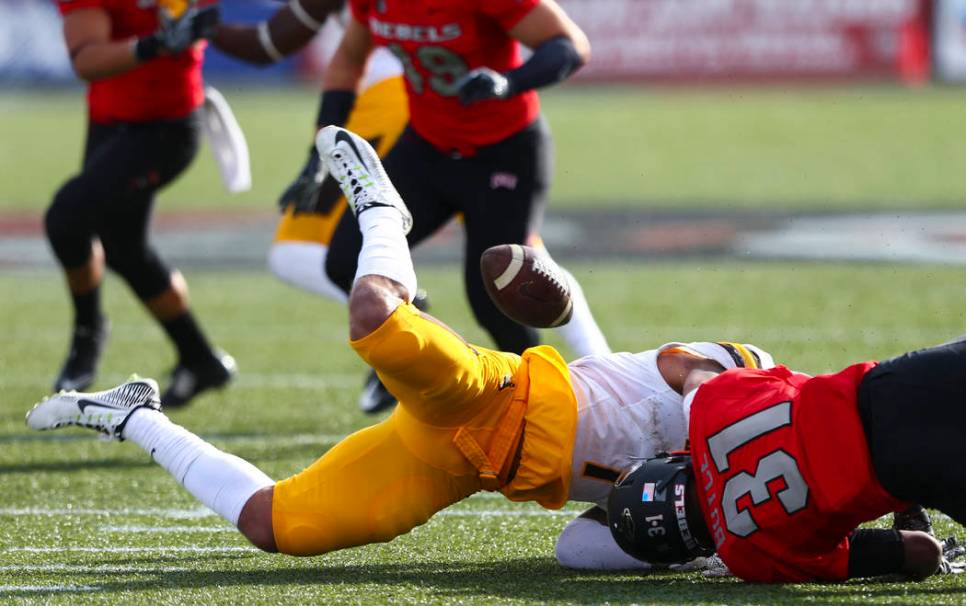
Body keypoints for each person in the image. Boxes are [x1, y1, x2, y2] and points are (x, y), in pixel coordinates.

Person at [26, 127, 767, 562]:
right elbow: (699, 377)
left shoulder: (720, 489)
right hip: (495, 390)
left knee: (277, 525)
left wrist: (692, 534)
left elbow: (581, 546)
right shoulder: (725, 381)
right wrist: (708, 463)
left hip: (455, 463)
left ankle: (131, 414)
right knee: (374, 316)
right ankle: (386, 213)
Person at [211, 0, 611, 413]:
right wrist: (319, 154)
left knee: (494, 300)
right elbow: (348, 61)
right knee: (345, 260)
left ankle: (554, 407)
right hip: (427, 148)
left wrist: (511, 81)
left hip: (504, 152)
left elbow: (570, 44)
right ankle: (424, 357)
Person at [607, 337, 966, 582]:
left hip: (909, 469)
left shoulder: (747, 556)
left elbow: (921, 551)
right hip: (890, 387)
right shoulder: (708, 406)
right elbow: (698, 373)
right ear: (669, 463)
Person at [46, 0, 235, 408]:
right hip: (110, 122)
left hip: (166, 128)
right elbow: (87, 59)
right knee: (125, 248)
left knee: (66, 218)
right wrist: (153, 44)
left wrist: (188, 29)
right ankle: (200, 359)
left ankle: (88, 332)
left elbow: (209, 23)